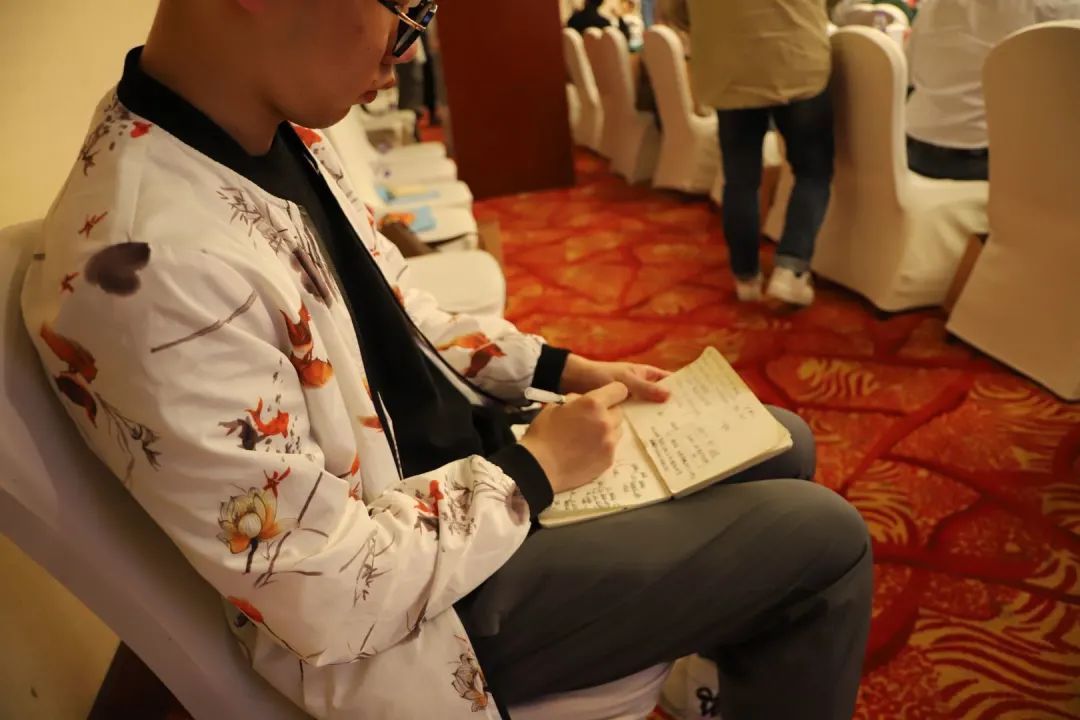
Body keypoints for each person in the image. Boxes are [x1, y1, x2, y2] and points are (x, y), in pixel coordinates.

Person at [21, 1, 872, 718]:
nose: (408, 51)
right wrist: (534, 473)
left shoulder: (266, 129)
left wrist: (563, 369)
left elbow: (401, 307)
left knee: (777, 439)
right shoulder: (150, 267)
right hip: (424, 618)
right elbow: (325, 595)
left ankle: (726, 650)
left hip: (456, 491)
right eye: (406, 12)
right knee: (824, 539)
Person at [689, 0, 835, 307]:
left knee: (740, 180)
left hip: (730, 68)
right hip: (797, 59)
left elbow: (676, 11)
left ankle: (746, 277)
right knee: (812, 171)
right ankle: (791, 269)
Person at [905, 0, 1080, 181]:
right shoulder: (1056, 6)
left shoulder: (934, 6)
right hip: (1002, 162)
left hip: (916, 154)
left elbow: (908, 75)